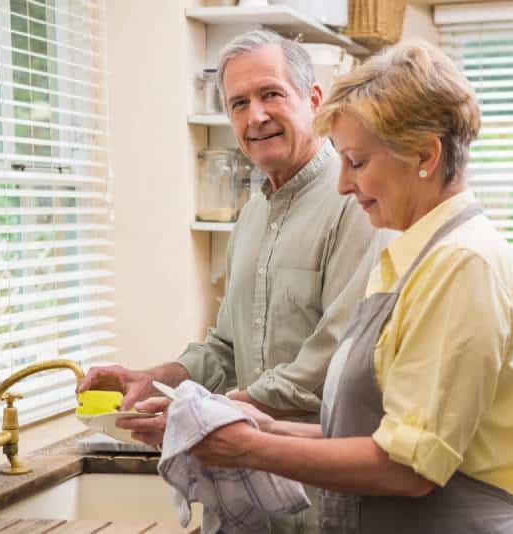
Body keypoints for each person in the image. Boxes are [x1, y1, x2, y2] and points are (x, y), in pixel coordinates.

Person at [189, 39, 513, 534]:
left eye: (358, 162)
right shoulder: (412, 259)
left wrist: (251, 448)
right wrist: (266, 426)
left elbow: (409, 466)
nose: (342, 184)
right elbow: (382, 431)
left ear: (425, 156)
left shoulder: (463, 266)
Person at [78, 30, 379, 533]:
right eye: (238, 103)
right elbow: (224, 348)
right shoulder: (253, 213)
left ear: (314, 99)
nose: (254, 116)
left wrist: (199, 413)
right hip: (251, 493)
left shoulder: (356, 202)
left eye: (270, 94)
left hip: (327, 492)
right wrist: (154, 379)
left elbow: (332, 362)